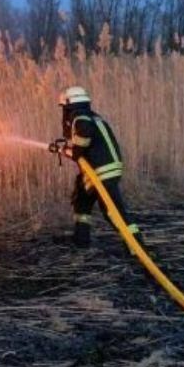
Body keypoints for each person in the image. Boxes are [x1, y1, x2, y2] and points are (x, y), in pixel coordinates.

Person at [49, 86, 144, 250]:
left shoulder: (80, 117)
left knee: (113, 212)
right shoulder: (90, 116)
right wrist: (66, 148)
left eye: (64, 107)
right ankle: (81, 239)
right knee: (81, 201)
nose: (63, 111)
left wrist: (70, 151)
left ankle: (137, 246)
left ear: (69, 104)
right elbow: (83, 142)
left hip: (102, 170)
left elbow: (83, 139)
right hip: (98, 170)